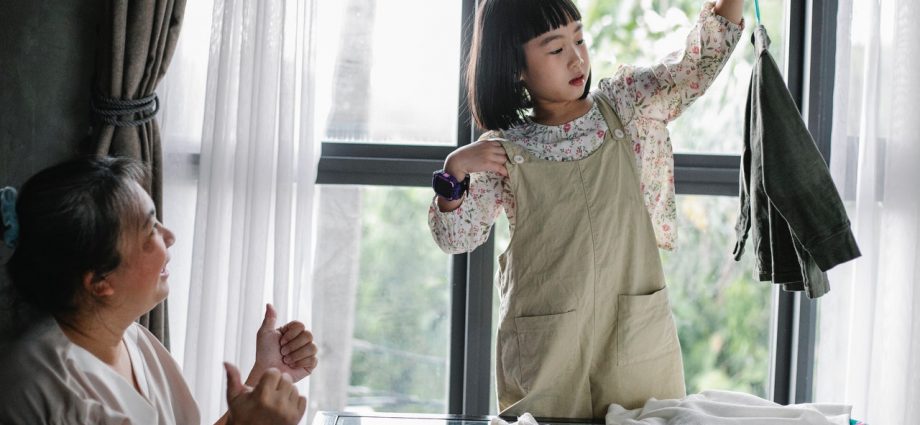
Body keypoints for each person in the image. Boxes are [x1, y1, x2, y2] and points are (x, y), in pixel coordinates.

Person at [428, 0, 744, 418]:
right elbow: (458, 238)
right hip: (549, 352)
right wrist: (455, 172)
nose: (577, 57)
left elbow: (693, 69)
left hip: (633, 335)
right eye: (555, 49)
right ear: (515, 66)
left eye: (579, 38)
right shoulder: (502, 149)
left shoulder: (625, 106)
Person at [0, 157, 318, 424]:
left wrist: (266, 377)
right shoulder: (47, 386)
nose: (169, 236)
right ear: (100, 281)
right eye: (150, 229)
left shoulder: (134, 340)